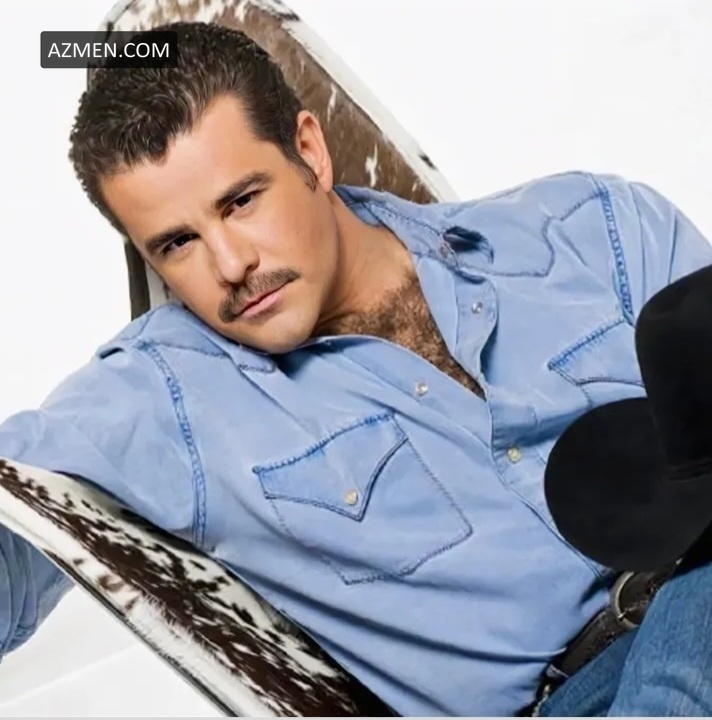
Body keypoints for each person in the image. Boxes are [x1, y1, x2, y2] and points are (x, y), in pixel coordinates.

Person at [1, 19, 711, 717]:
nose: (231, 265)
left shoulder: (592, 226)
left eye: (242, 202)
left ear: (310, 151)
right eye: (177, 243)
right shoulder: (164, 399)